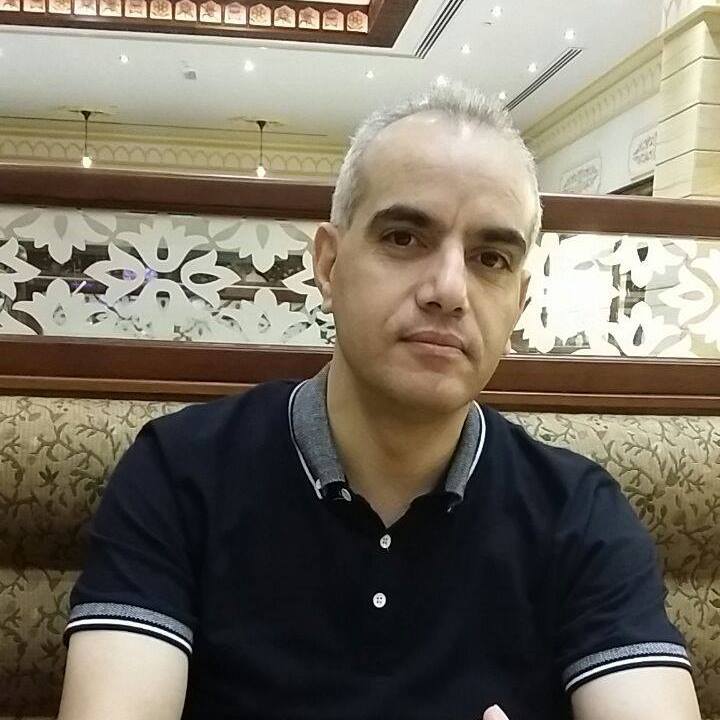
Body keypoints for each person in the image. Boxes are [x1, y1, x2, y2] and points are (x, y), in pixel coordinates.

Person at [57, 83, 701, 720]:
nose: (449, 289)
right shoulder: (180, 473)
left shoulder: (579, 514)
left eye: (491, 258)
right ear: (329, 264)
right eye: (404, 239)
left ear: (519, 302)